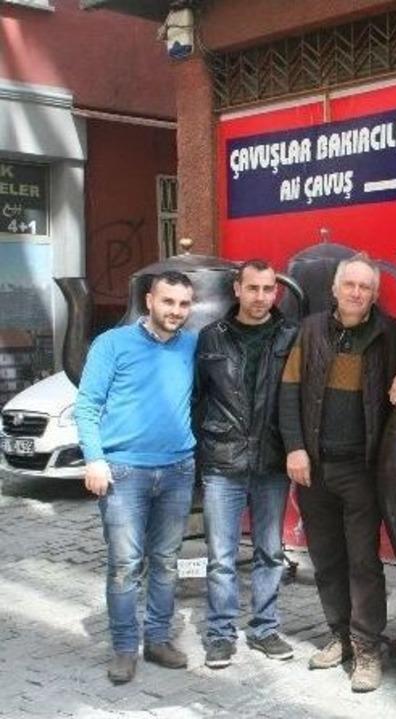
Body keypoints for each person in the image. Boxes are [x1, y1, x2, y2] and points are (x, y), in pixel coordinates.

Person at [278, 252, 396, 693]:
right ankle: (340, 635)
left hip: (361, 469)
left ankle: (368, 648)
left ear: (374, 294)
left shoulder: (389, 332)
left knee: (364, 562)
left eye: (366, 287)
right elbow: (289, 392)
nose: (357, 293)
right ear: (335, 288)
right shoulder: (309, 331)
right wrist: (294, 448)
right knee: (326, 558)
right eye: (350, 285)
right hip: (315, 465)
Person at [74, 271, 198, 685]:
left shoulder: (192, 346)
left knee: (165, 560)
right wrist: (94, 459)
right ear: (149, 300)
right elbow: (88, 405)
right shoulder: (112, 344)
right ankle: (125, 647)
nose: (176, 312)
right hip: (124, 472)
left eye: (183, 305)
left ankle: (159, 639)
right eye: (168, 302)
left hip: (179, 469)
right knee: (125, 564)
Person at [195, 259, 299, 669]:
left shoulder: (291, 336)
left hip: (272, 460)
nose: (260, 297)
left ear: (277, 292)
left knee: (270, 550)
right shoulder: (210, 339)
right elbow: (196, 398)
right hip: (224, 460)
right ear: (237, 289)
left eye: (267, 289)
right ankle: (220, 634)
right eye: (252, 288)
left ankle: (264, 628)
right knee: (220, 555)